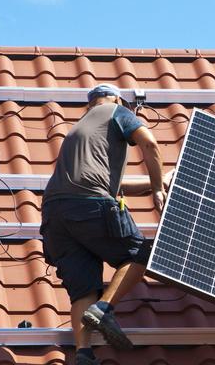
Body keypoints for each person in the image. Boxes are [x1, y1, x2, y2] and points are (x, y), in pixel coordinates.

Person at [39, 84, 166, 365]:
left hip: (54, 215)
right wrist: (158, 187)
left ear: (89, 105)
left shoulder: (79, 131)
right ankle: (104, 309)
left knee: (84, 288)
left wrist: (155, 183)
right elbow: (150, 144)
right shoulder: (117, 112)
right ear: (118, 100)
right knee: (142, 254)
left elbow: (112, 186)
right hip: (88, 205)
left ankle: (84, 354)